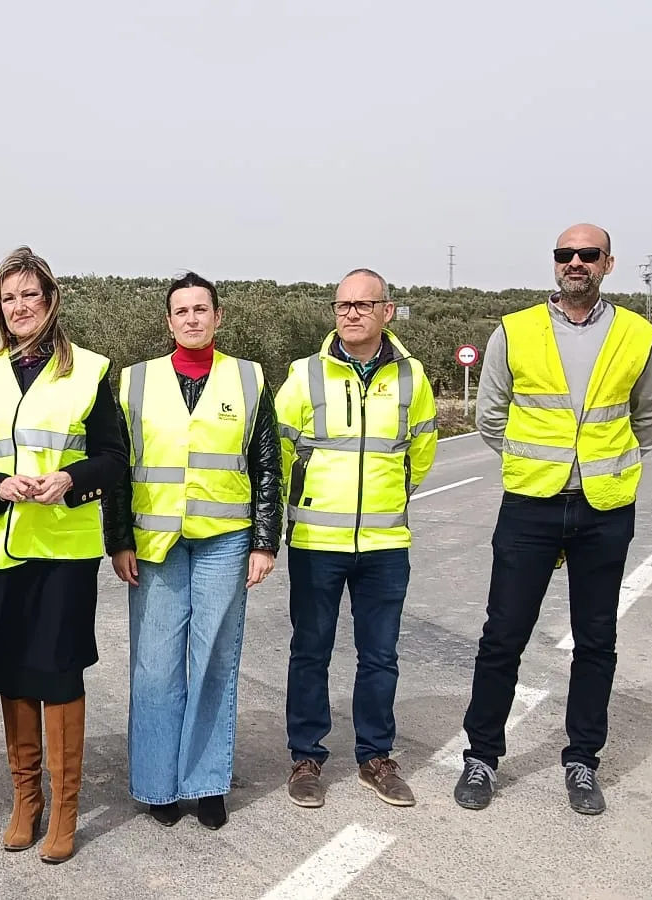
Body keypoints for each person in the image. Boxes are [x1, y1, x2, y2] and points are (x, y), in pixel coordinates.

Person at [454, 223, 652, 816]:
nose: (575, 263)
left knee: (596, 639)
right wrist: (538, 466)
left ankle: (582, 761)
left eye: (587, 254)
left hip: (604, 507)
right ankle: (481, 757)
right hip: (532, 504)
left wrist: (603, 468)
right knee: (503, 636)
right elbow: (491, 416)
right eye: (564, 254)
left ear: (608, 262)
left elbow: (649, 417)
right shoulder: (514, 330)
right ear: (555, 263)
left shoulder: (637, 334)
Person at [0, 245, 127, 864]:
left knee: (57, 673)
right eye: (9, 297)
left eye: (30, 295)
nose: (19, 306)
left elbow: (113, 457)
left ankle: (66, 809)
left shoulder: (93, 370)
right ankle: (26, 799)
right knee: (11, 674)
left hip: (61, 548)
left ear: (51, 301)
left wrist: (71, 480)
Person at [104, 271, 281, 831]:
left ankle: (206, 784)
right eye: (181, 311)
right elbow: (116, 469)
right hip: (154, 543)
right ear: (169, 321)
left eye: (201, 309)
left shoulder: (249, 379)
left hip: (225, 542)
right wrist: (119, 539)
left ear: (218, 317)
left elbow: (268, 464)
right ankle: (157, 785)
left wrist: (263, 541)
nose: (192, 318)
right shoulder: (134, 382)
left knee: (213, 663)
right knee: (155, 667)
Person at [275, 268, 438, 811]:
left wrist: (389, 501)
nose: (351, 313)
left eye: (363, 305)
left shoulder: (413, 378)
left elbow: (421, 453)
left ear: (387, 311)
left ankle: (375, 758)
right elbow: (276, 453)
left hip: (385, 543)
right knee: (310, 651)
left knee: (380, 656)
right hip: (317, 541)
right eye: (343, 304)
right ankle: (306, 758)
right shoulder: (305, 375)